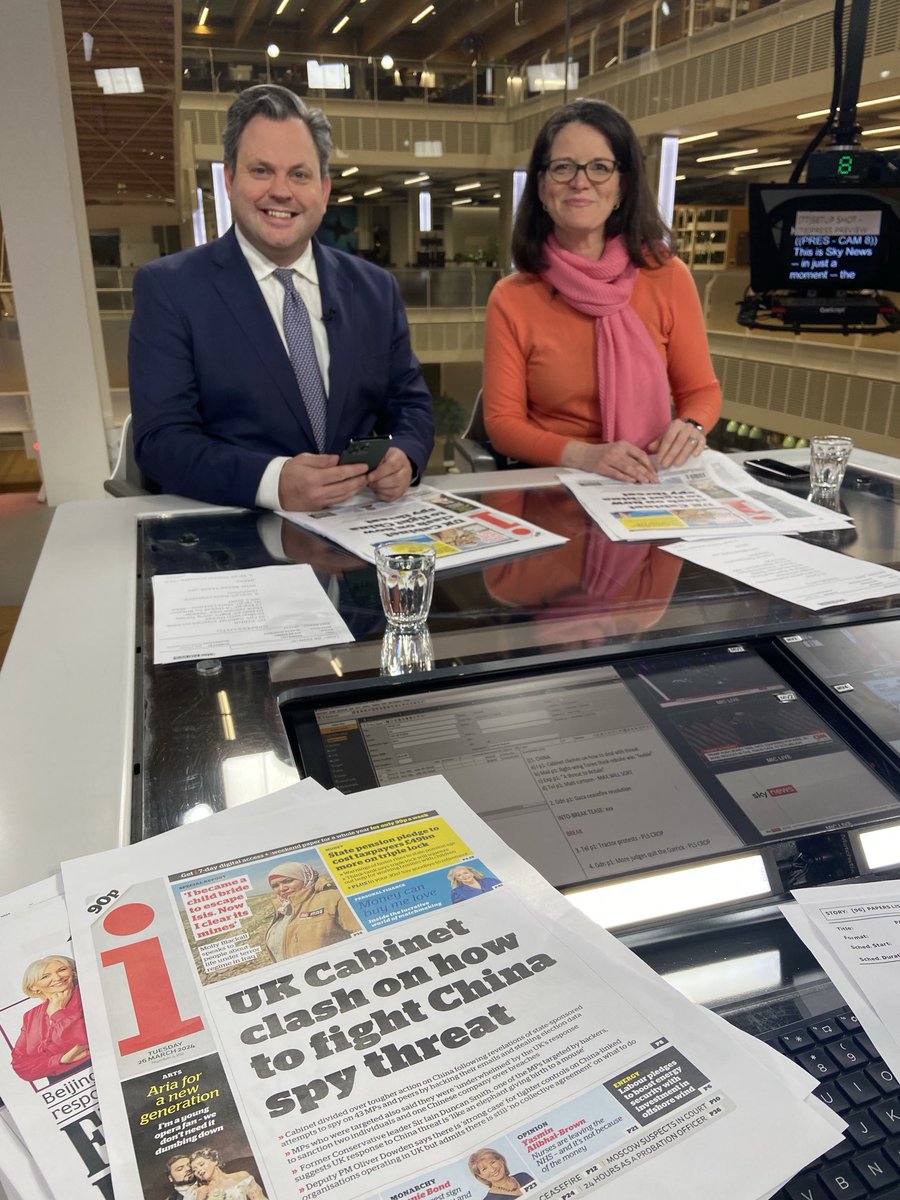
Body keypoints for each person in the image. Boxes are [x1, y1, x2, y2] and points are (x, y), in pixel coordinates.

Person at [129, 84, 434, 512]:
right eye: (261, 171)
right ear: (230, 179)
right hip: (236, 540)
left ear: (324, 191)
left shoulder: (375, 289)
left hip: (357, 531)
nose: (281, 191)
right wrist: (273, 481)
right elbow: (162, 441)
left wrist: (406, 455)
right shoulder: (169, 289)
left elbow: (410, 404)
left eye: (299, 174)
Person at [483, 98, 721, 484]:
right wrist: (585, 455)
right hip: (557, 482)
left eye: (600, 167)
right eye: (563, 168)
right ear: (541, 188)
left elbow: (702, 390)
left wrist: (692, 424)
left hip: (654, 476)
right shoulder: (512, 297)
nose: (580, 181)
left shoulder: (668, 276)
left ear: (622, 185)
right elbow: (503, 424)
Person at [11, 955, 91, 1082]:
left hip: (93, 1068)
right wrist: (60, 1060)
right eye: (45, 976)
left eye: (62, 970)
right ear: (33, 987)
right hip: (61, 1085)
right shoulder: (30, 1016)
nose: (57, 978)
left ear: (73, 972)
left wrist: (58, 1013)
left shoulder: (87, 994)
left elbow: (87, 1038)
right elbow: (21, 1066)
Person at [264, 861, 362, 961]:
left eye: (288, 881)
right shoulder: (282, 910)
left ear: (305, 877)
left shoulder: (334, 898)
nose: (282, 888)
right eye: (275, 886)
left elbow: (363, 936)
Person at [189, 1147, 267, 1200]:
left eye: (201, 1164)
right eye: (194, 1170)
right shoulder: (198, 1192)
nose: (198, 1170)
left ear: (214, 1161)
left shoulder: (241, 1176)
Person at [468, 1148, 535, 1199]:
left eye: (493, 1162)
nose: (492, 1170)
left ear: (501, 1160)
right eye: (484, 1169)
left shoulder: (523, 1176)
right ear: (480, 1175)